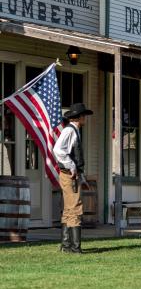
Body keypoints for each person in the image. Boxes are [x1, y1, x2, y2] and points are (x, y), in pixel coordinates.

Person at [53, 103, 93, 254]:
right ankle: (74, 248)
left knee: (69, 209)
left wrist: (81, 177)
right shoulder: (70, 131)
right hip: (68, 174)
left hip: (71, 174)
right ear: (80, 117)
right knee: (75, 208)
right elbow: (58, 150)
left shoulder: (74, 130)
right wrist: (72, 167)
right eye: (84, 116)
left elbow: (74, 155)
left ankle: (66, 245)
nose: (85, 118)